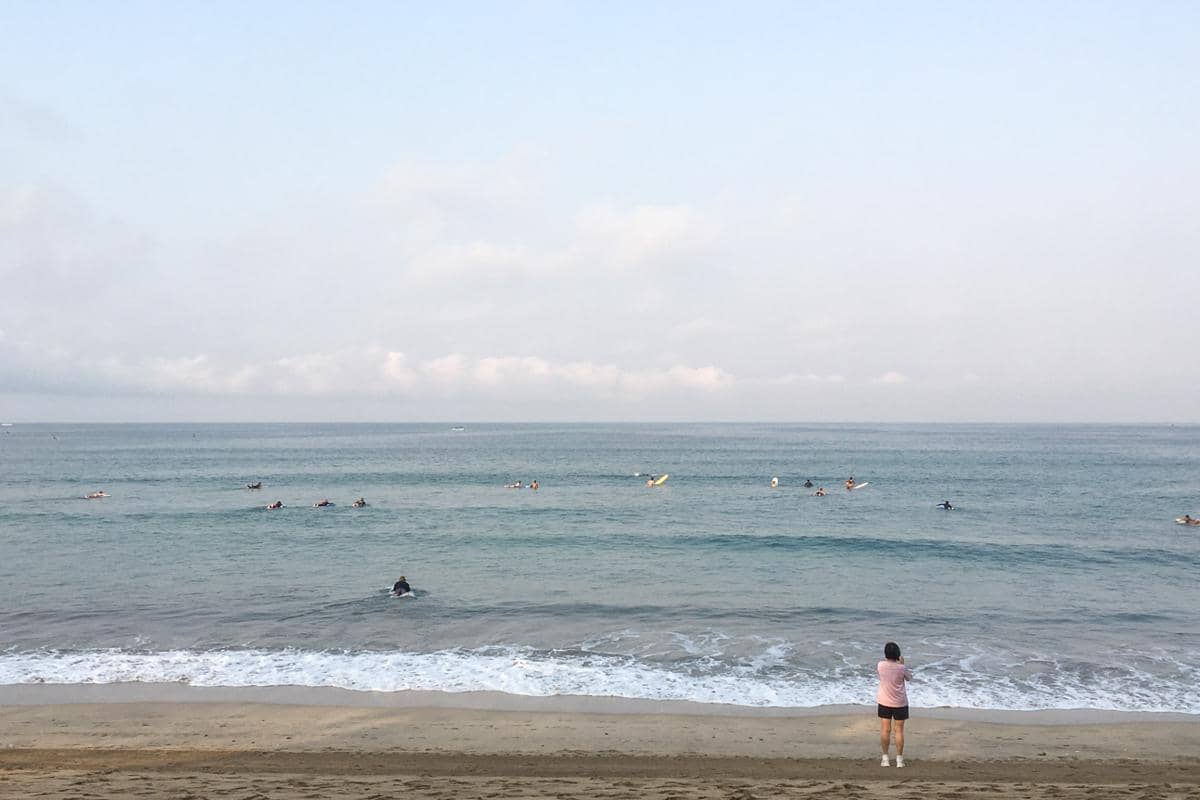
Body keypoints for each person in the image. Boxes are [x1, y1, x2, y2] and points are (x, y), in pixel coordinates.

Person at [877, 641, 913, 767]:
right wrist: (902, 664)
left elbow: (882, 675)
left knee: (885, 730)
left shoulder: (880, 665)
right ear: (897, 654)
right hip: (900, 703)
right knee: (899, 731)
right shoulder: (901, 668)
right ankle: (899, 760)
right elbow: (909, 677)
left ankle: (885, 758)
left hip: (884, 701)